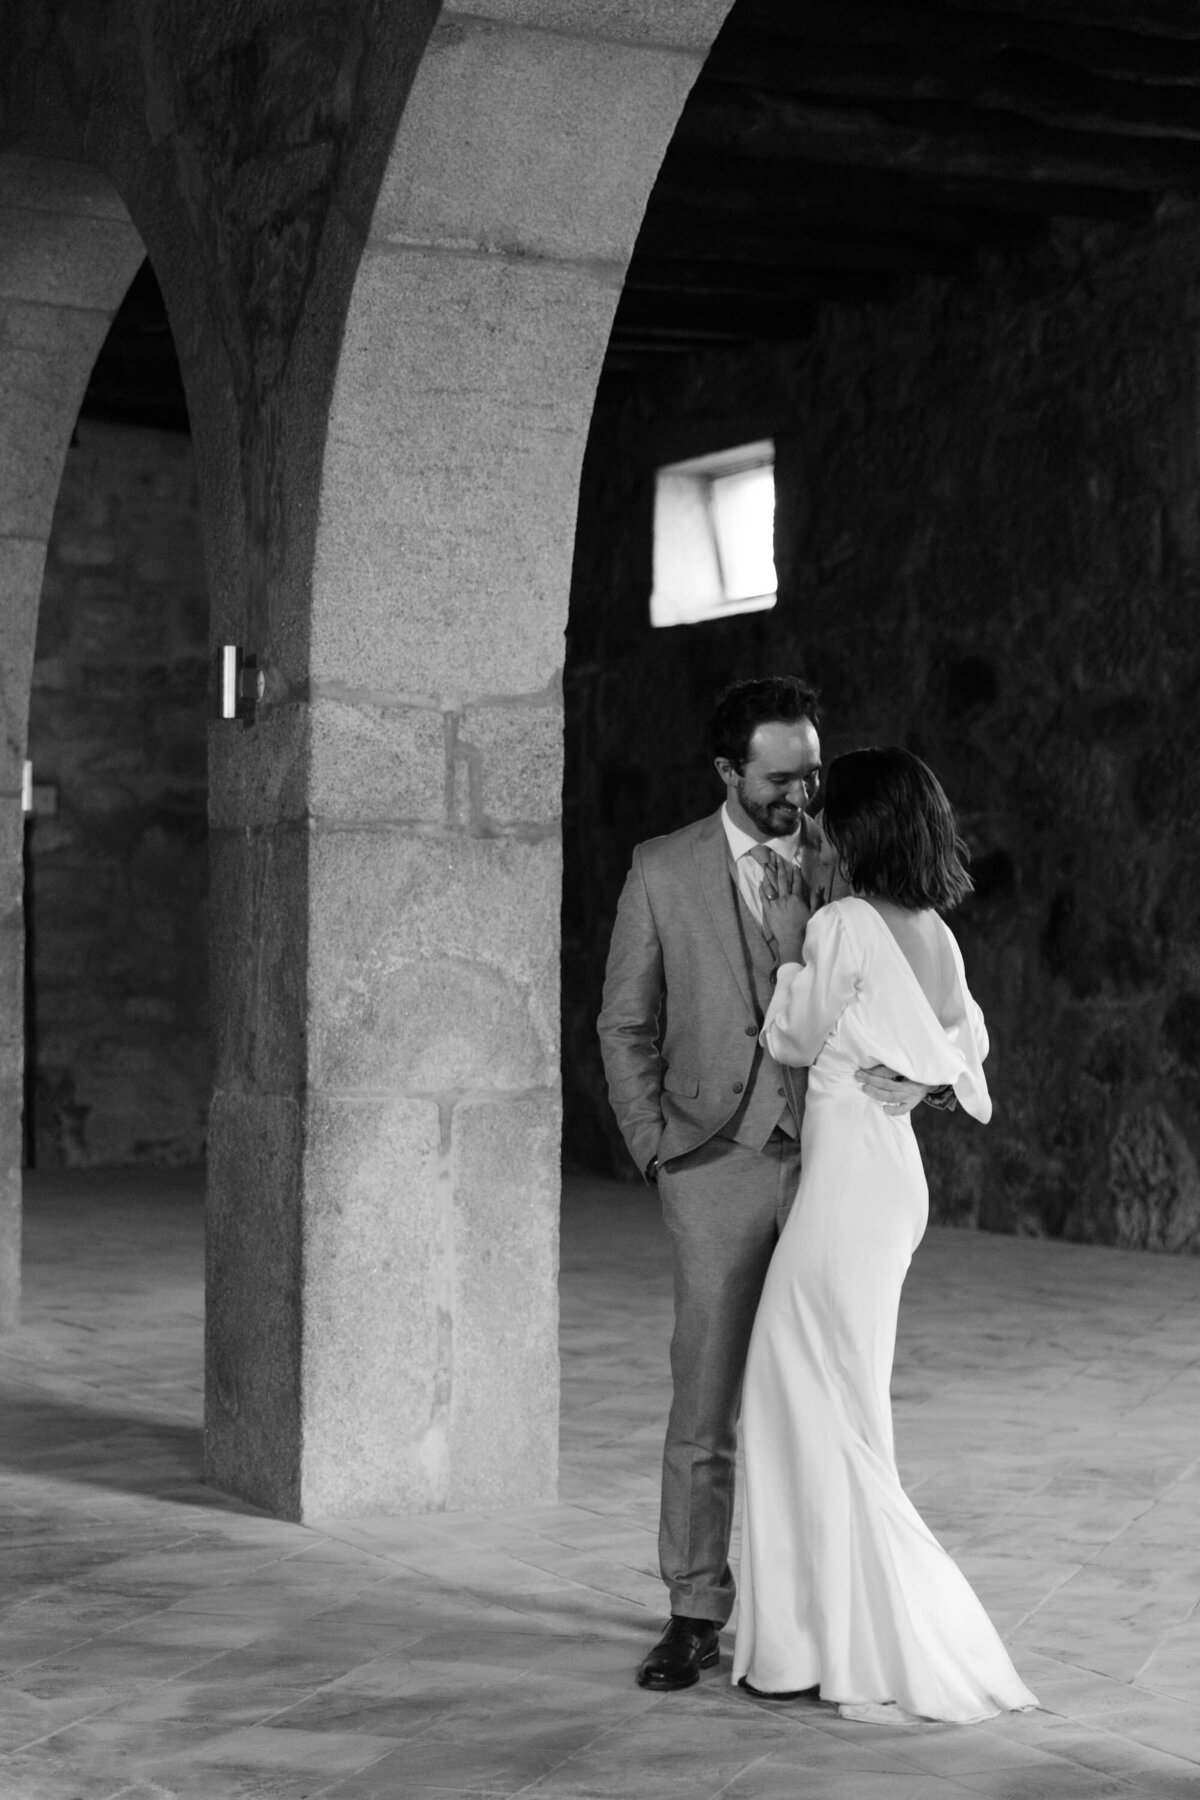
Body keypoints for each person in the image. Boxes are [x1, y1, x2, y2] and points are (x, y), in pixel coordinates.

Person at [598, 680, 947, 1693]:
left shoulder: (854, 868)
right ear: (728, 773)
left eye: (814, 770)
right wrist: (655, 1148)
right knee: (705, 1397)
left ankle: (814, 1615)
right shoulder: (661, 872)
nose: (806, 790)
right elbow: (623, 1024)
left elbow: (930, 995)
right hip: (714, 1164)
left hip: (837, 1168)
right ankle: (695, 1609)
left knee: (826, 1394)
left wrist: (926, 1079)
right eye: (782, 774)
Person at [732, 747, 1038, 1722]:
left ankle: (837, 1639)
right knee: (836, 1392)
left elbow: (791, 1038)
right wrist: (931, 1086)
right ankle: (826, 1634)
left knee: (796, 1382)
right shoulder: (936, 936)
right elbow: (973, 1062)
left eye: (828, 815)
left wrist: (788, 963)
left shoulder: (842, 925)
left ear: (861, 829)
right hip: (889, 1177)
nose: (814, 827)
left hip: (849, 1188)